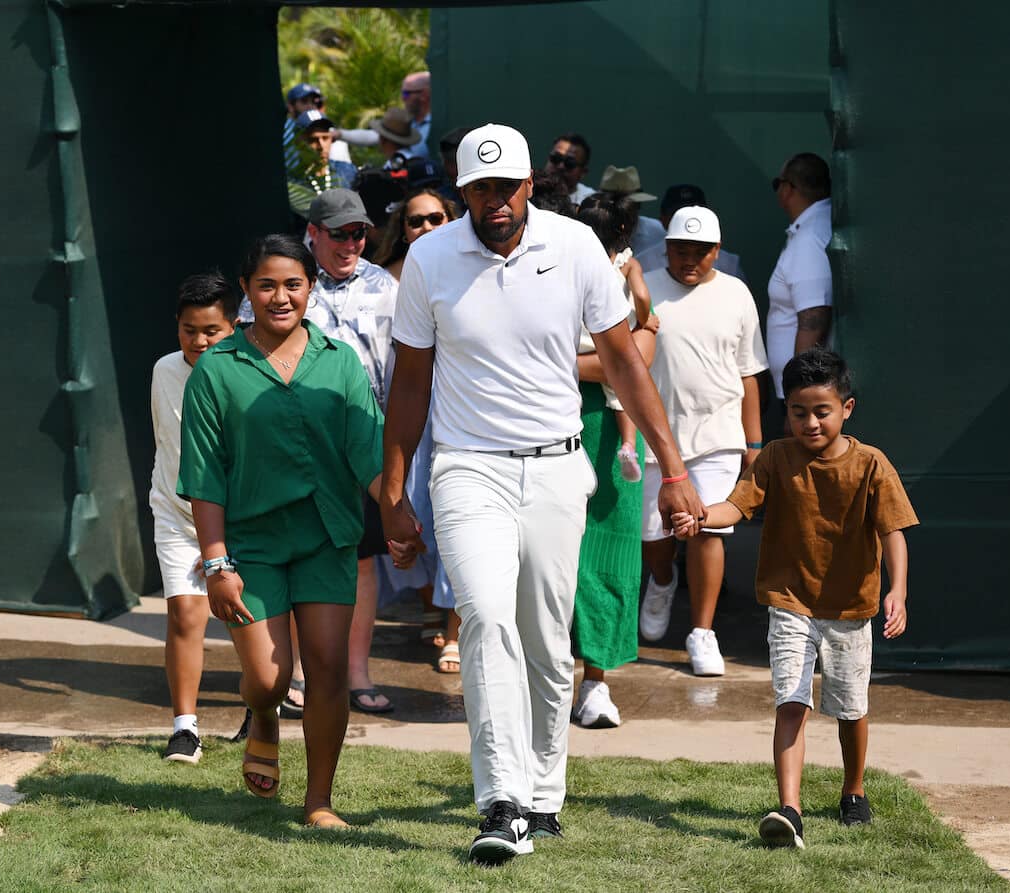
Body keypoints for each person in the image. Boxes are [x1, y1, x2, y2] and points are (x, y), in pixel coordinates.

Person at [381, 123, 703, 864]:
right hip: (467, 468)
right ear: (461, 191)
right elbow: (410, 382)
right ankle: (501, 800)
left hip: (559, 470)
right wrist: (394, 488)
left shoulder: (576, 247)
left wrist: (674, 469)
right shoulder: (429, 257)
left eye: (506, 186)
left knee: (548, 643)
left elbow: (625, 365)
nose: (493, 202)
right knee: (486, 620)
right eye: (478, 189)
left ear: (531, 185)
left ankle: (545, 793)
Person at [177, 234, 416, 829]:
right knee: (267, 678)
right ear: (246, 291)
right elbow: (204, 478)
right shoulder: (215, 369)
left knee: (329, 668)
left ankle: (319, 801)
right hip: (251, 545)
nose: (280, 297)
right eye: (266, 285)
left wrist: (396, 512)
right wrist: (215, 564)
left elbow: (368, 452)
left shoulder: (340, 362)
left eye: (292, 284)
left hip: (327, 537)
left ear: (311, 288)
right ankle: (261, 716)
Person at [672, 347, 918, 849]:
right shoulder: (774, 459)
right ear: (786, 411)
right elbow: (736, 508)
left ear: (847, 408)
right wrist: (700, 517)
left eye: (821, 412)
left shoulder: (871, 464)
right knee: (791, 701)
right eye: (798, 411)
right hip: (789, 603)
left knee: (850, 708)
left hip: (852, 608)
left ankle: (854, 790)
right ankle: (790, 809)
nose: (809, 422)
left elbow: (893, 530)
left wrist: (899, 591)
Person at [238, 189, 399, 715]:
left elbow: (405, 365)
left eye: (359, 232)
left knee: (363, 561)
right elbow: (244, 355)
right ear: (314, 233)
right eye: (340, 233)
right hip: (288, 443)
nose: (352, 242)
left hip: (362, 438)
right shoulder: (280, 281)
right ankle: (295, 675)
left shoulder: (386, 285)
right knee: (293, 552)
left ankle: (355, 672)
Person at [639, 206, 768, 676]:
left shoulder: (736, 293)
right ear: (666, 248)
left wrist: (753, 444)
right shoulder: (645, 288)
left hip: (718, 435)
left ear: (717, 251)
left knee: (709, 530)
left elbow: (749, 373)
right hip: (655, 436)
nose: (690, 259)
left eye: (701, 251)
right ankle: (661, 579)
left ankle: (702, 633)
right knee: (655, 535)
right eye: (680, 250)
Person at [570, 193, 659, 728]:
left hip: (608, 434)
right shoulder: (557, 274)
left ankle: (596, 684)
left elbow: (633, 363)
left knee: (608, 557)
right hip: (552, 422)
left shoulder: (626, 272)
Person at [151, 272, 238, 763]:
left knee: (250, 622)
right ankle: (185, 728)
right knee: (185, 613)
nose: (200, 340)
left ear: (234, 326)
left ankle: (259, 713)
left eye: (212, 331)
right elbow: (167, 442)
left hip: (238, 521)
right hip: (175, 515)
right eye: (189, 330)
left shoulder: (247, 372)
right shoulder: (164, 370)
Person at [372, 188, 461, 671]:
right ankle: (432, 605)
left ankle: (454, 627)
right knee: (413, 509)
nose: (425, 228)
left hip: (457, 414)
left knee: (452, 517)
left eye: (434, 218)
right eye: (414, 221)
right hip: (407, 411)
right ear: (401, 229)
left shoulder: (472, 270)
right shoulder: (384, 282)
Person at [575, 192, 651, 485]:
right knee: (621, 392)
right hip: (610, 339)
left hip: (579, 340)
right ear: (622, 229)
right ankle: (628, 445)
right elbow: (642, 295)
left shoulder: (575, 262)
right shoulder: (627, 262)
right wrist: (646, 320)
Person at [767, 153, 833, 407]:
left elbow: (813, 317)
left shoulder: (809, 238)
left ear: (788, 188)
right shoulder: (813, 229)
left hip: (805, 397)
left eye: (778, 184)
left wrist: (801, 397)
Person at [637, 184, 746, 282]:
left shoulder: (730, 265)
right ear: (662, 220)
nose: (690, 262)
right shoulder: (642, 263)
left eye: (701, 253)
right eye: (678, 215)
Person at [286, 110, 358, 221]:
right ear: (297, 142)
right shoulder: (291, 181)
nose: (321, 146)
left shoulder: (348, 171)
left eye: (325, 138)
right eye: (313, 140)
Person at [374, 189, 458, 281]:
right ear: (403, 230)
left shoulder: (471, 264)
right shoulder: (384, 281)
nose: (427, 227)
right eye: (416, 221)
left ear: (450, 221)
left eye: (435, 218)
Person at [596, 164, 665, 256]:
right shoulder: (589, 231)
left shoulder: (657, 231)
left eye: (626, 205)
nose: (621, 212)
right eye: (613, 207)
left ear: (638, 205)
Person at [544, 132, 595, 207]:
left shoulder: (590, 202)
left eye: (570, 163)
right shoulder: (528, 190)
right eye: (556, 158)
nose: (560, 166)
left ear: (583, 172)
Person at [400, 71, 432, 157]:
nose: (403, 98)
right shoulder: (407, 123)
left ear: (424, 94)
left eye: (406, 94)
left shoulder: (437, 124)